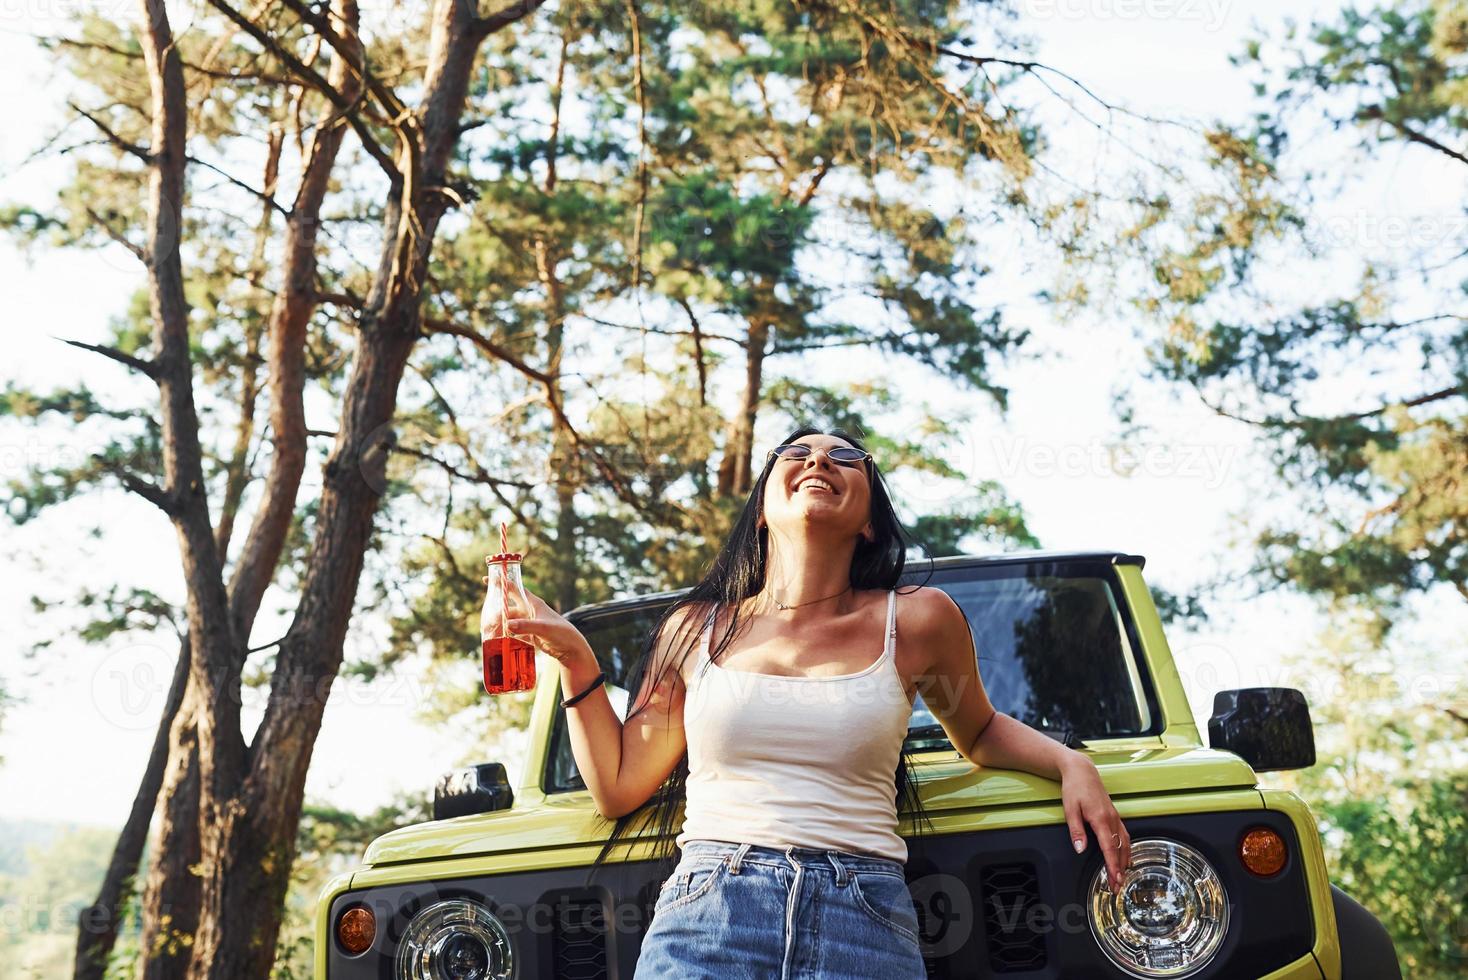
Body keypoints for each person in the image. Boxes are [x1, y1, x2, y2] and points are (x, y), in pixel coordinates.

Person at [499, 426, 1132, 979]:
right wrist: (576, 660)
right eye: (796, 453)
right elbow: (616, 786)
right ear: (762, 512)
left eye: (844, 457)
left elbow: (982, 730)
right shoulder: (693, 629)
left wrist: (1072, 762)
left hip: (864, 916)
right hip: (709, 913)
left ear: (869, 522)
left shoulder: (916, 621)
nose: (819, 461)